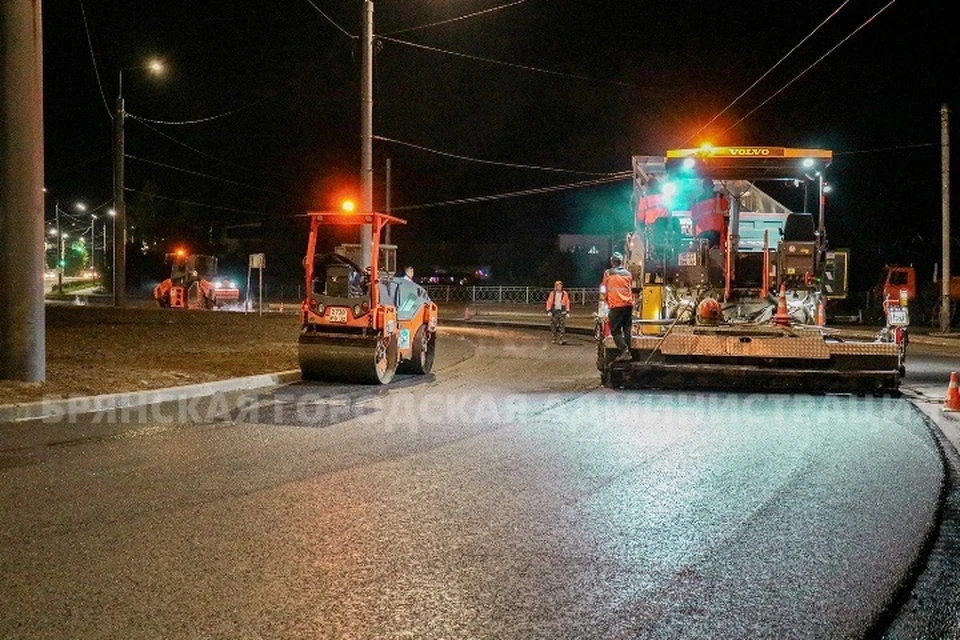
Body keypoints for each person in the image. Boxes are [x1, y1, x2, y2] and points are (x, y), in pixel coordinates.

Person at [600, 252, 634, 362]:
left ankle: (624, 350)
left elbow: (604, 289)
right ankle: (628, 351)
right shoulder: (628, 274)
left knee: (614, 330)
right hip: (628, 305)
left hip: (616, 305)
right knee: (627, 329)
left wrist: (605, 301)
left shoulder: (608, 273)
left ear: (612, 262)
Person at [545, 280, 570, 344]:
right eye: (558, 286)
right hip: (554, 311)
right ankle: (554, 338)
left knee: (562, 326)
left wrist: (567, 311)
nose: (559, 287)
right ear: (555, 287)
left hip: (562, 311)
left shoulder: (564, 293)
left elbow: (567, 302)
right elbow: (549, 302)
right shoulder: (552, 293)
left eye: (560, 286)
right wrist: (549, 311)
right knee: (553, 325)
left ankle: (562, 339)